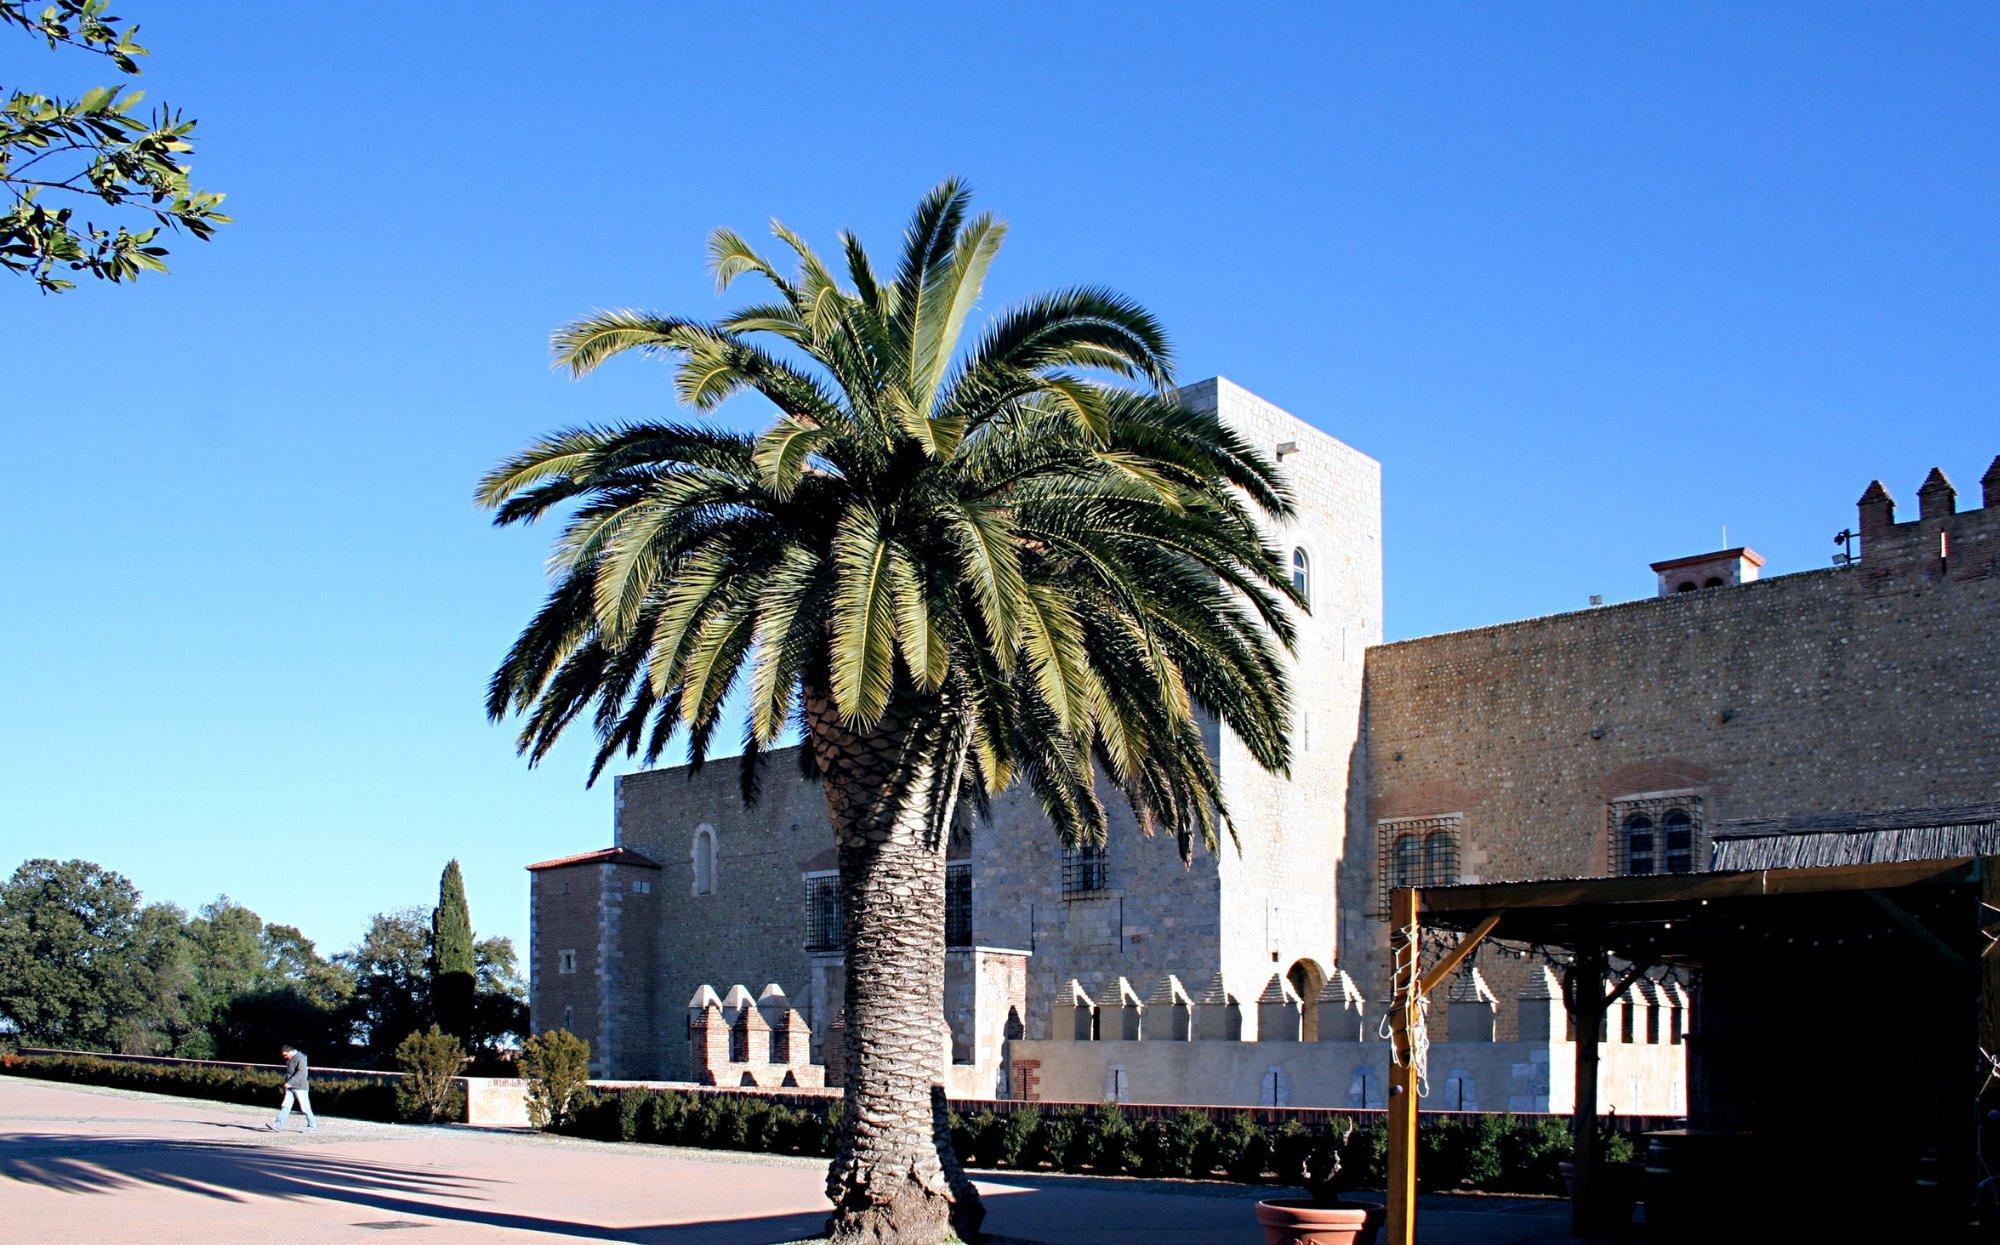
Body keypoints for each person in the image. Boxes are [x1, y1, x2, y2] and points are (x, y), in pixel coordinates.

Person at [267, 1043, 316, 1132]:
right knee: (285, 1106)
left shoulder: (300, 1058)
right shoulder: (290, 1058)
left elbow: (302, 1073)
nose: (284, 1057)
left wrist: (290, 1082)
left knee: (305, 1108)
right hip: (290, 1087)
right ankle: (278, 1126)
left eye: (285, 1055)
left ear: (290, 1052)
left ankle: (312, 1126)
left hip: (300, 1087)